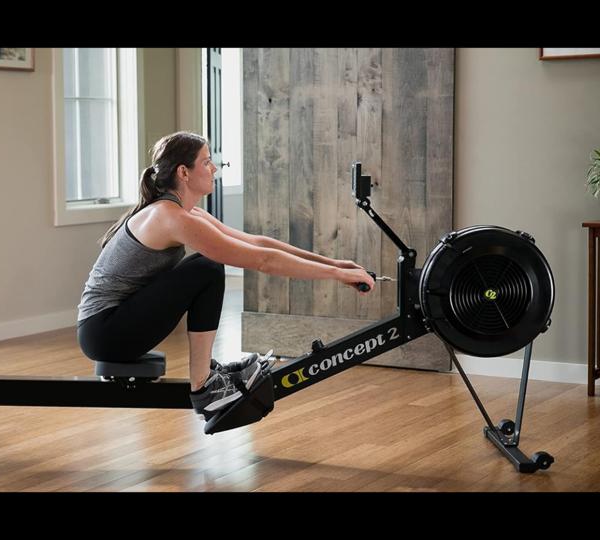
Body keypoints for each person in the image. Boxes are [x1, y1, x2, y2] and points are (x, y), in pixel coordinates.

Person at [76, 131, 375, 425]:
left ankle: (206, 376)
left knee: (206, 266)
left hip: (112, 327)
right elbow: (263, 261)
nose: (214, 168)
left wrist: (334, 262)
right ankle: (204, 387)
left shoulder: (185, 212)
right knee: (207, 268)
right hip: (105, 332)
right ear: (184, 172)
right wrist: (337, 275)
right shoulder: (170, 217)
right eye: (206, 162)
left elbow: (258, 244)